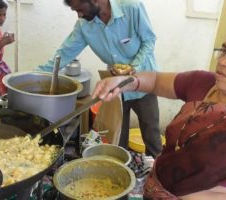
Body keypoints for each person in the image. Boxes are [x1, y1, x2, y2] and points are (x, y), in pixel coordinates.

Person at [92, 19, 226, 200]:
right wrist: (125, 82)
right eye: (224, 50)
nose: (222, 61)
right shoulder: (203, 83)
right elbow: (156, 81)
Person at [38, 0, 162, 158]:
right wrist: (35, 75)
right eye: (76, 11)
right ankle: (123, 172)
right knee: (117, 138)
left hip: (144, 81)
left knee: (151, 133)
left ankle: (158, 175)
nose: (79, 15)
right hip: (116, 87)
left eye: (81, 9)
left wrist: (134, 67)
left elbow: (149, 40)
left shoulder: (131, 7)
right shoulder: (84, 26)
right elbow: (63, 55)